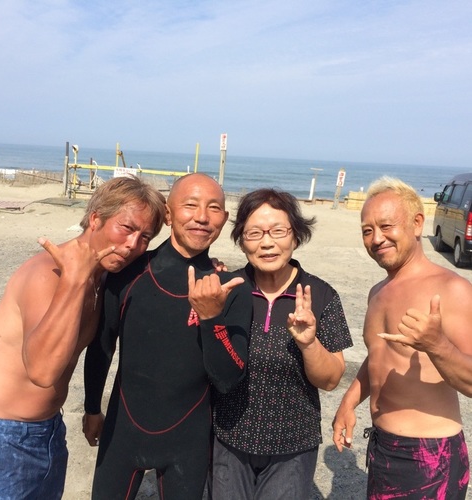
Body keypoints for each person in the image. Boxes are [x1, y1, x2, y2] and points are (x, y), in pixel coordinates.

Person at [0, 176, 166, 499]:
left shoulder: (102, 278)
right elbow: (42, 371)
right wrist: (73, 282)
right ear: (96, 219)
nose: (133, 245)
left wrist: (92, 408)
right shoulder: (47, 274)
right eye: (127, 228)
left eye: (145, 237)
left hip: (48, 432)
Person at [82, 172, 252, 500]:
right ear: (169, 214)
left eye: (214, 208)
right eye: (191, 205)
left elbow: (229, 378)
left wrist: (211, 317)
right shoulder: (128, 273)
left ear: (224, 218)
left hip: (187, 443)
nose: (202, 217)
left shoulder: (230, 288)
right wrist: (92, 408)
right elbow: (102, 346)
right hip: (122, 432)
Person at [332, 177, 472, 499]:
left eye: (386, 226)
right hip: (382, 448)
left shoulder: (453, 289)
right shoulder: (377, 292)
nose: (376, 238)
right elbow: (379, 355)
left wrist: (437, 345)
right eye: (367, 231)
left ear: (417, 223)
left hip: (430, 456)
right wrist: (348, 402)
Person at [210, 188, 353, 499]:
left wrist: (309, 344)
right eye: (254, 233)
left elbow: (330, 380)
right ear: (241, 241)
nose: (266, 243)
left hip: (293, 448)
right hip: (229, 440)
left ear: (296, 237)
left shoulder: (321, 295)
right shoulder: (227, 290)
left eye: (278, 231)